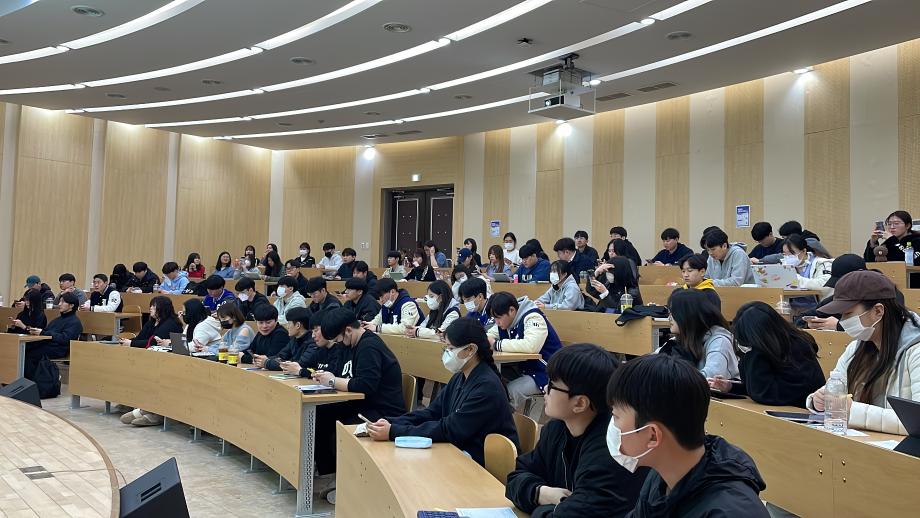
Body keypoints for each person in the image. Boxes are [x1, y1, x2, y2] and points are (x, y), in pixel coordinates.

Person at [607, 354, 769, 517]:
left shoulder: (730, 512)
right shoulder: (662, 475)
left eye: (616, 416)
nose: (612, 425)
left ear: (653, 436)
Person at [506, 344, 647, 517]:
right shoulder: (556, 428)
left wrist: (540, 508)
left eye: (552, 384)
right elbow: (515, 477)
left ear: (580, 403)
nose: (545, 389)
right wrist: (540, 493)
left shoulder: (612, 450)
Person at [367, 318, 520, 466]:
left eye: (451, 348)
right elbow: (432, 412)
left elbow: (450, 430)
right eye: (446, 348)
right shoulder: (461, 376)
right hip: (460, 450)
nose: (447, 353)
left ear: (471, 349)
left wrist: (394, 431)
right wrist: (392, 422)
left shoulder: (486, 387)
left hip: (482, 462)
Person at [806, 270, 920, 435]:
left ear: (878, 311)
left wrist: (853, 410)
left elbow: (916, 421)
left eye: (848, 314)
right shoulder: (857, 347)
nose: (843, 321)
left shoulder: (916, 350)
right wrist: (818, 400)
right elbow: (836, 386)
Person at [312, 308, 406, 487]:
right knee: (319, 414)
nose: (338, 343)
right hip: (360, 403)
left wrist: (332, 381)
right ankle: (330, 472)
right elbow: (340, 373)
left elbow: (366, 385)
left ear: (348, 330)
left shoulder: (369, 346)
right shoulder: (347, 345)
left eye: (339, 339)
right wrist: (326, 376)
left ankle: (346, 481)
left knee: (341, 425)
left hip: (382, 410)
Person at [708, 302, 825, 406]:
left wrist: (753, 353)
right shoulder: (772, 348)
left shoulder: (797, 350)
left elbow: (763, 392)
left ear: (757, 338)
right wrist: (731, 386)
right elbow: (759, 386)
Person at [487, 292, 563, 411]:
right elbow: (489, 336)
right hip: (524, 369)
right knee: (492, 384)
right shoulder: (506, 321)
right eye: (494, 318)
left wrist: (497, 344)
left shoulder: (533, 317)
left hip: (547, 372)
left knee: (510, 391)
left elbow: (531, 346)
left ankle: (503, 421)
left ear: (512, 310)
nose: (497, 322)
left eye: (498, 318)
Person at [664, 289, 739, 379]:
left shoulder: (720, 342)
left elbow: (710, 378)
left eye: (673, 313)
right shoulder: (679, 339)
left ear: (688, 315)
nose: (669, 318)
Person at [23, 292, 82, 380]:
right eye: (59, 302)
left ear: (71, 305)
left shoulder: (75, 322)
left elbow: (65, 338)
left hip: (58, 349)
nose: (59, 304)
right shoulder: (57, 319)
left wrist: (43, 333)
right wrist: (36, 331)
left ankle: (32, 382)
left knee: (29, 355)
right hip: (47, 345)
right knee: (24, 349)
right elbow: (47, 331)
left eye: (63, 302)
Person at [802, 254, 867, 331]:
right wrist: (811, 323)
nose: (840, 289)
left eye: (844, 284)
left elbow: (871, 328)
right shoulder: (836, 299)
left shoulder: (874, 298)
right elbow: (801, 318)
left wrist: (838, 326)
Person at [277, 309, 345, 378]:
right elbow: (309, 368)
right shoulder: (320, 350)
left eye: (316, 330)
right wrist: (290, 366)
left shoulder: (340, 351)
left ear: (327, 328)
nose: (313, 336)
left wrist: (300, 371)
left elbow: (330, 374)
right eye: (312, 332)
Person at [256, 307, 315, 371]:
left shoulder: (313, 342)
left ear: (298, 325)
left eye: (289, 323)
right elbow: (281, 356)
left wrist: (266, 363)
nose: (287, 326)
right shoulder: (294, 339)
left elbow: (299, 364)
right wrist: (263, 360)